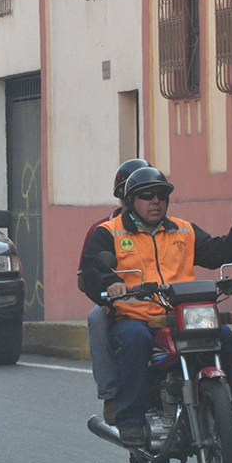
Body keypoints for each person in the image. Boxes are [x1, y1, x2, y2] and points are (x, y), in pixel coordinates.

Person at [80, 167, 232, 447]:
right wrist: (111, 283)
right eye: (147, 195)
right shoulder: (109, 233)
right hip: (137, 316)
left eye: (162, 195)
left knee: (225, 338)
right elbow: (92, 271)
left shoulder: (183, 229)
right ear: (130, 201)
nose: (156, 201)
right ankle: (130, 418)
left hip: (182, 315)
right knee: (134, 340)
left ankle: (224, 411)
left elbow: (219, 252)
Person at [78, 158, 150, 425]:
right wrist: (111, 290)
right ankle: (110, 395)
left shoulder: (167, 226)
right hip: (117, 301)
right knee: (97, 318)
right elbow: (85, 279)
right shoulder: (102, 230)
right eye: (140, 194)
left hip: (157, 298)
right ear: (123, 196)